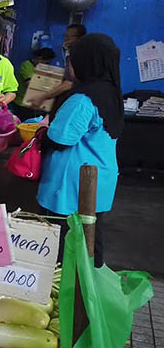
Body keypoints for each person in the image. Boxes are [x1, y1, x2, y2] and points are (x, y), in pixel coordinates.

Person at [37, 33, 123, 267]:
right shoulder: (111, 93)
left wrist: (40, 131)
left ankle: (66, 296)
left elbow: (60, 137)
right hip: (100, 179)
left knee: (64, 246)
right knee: (91, 239)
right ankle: (90, 292)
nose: (69, 66)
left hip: (73, 185)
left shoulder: (84, 98)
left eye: (72, 60)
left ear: (87, 61)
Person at [28, 24, 86, 111]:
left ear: (79, 38)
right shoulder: (70, 55)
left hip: (74, 104)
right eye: (65, 35)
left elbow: (69, 83)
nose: (66, 38)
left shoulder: (79, 56)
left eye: (70, 36)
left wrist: (43, 96)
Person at [15, 47, 55, 120]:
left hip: (37, 104)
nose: (46, 65)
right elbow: (30, 84)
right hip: (23, 102)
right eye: (44, 62)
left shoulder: (44, 68)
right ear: (39, 58)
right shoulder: (26, 65)